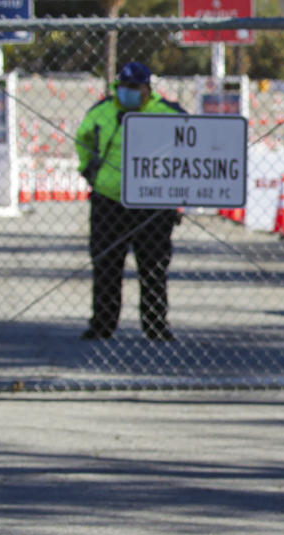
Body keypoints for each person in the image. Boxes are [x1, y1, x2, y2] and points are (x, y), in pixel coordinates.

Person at [74, 61, 185, 341]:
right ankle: (103, 325)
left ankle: (156, 326)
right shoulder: (102, 111)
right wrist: (90, 173)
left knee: (154, 268)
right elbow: (82, 140)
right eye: (122, 87)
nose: (127, 93)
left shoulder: (168, 113)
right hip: (109, 202)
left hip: (153, 205)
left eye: (134, 88)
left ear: (148, 88)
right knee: (106, 266)